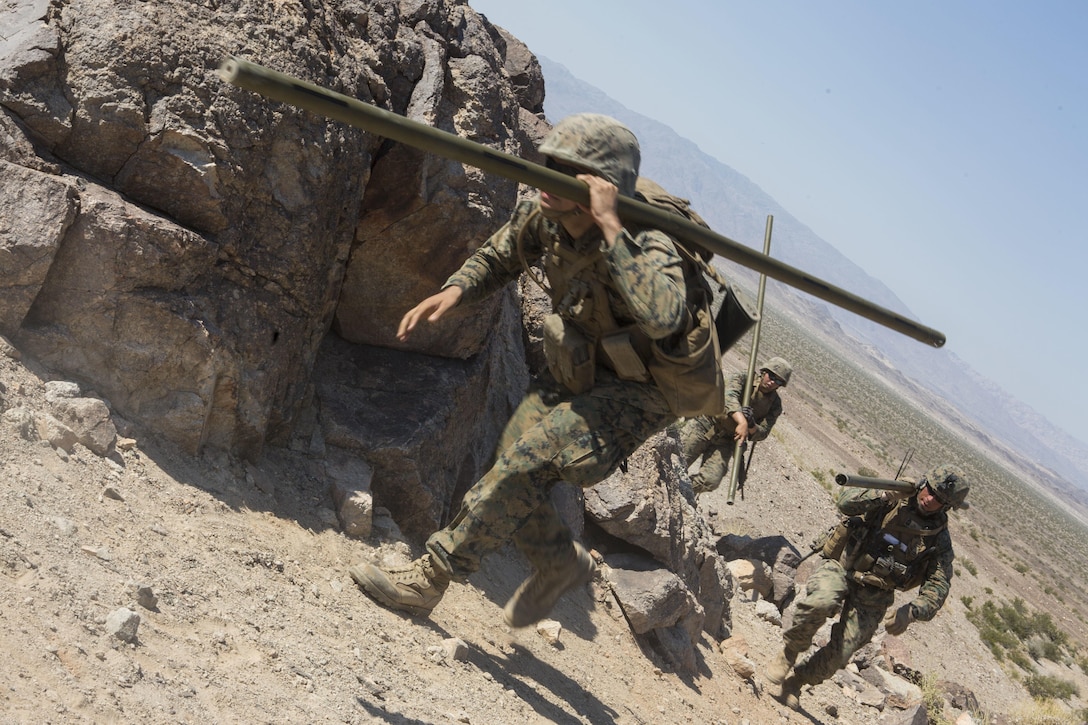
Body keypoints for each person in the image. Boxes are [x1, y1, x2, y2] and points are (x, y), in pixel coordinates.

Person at [350, 113, 715, 627]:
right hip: (582, 362)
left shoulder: (647, 241)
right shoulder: (545, 215)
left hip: (640, 390)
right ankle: (560, 563)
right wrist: (456, 290)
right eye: (551, 162)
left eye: (570, 169)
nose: (550, 175)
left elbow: (662, 317)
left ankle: (430, 578)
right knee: (512, 464)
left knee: (528, 462)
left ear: (602, 186)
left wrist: (611, 225)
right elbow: (501, 256)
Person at [766, 465, 971, 710]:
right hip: (840, 565)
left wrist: (914, 610)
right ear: (924, 482)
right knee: (821, 602)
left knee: (844, 651)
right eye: (930, 491)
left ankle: (797, 682)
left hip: (875, 592)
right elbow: (845, 501)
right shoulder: (895, 495)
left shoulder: (938, 539)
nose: (929, 499)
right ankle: (789, 653)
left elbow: (938, 584)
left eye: (939, 499)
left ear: (947, 506)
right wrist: (883, 496)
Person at [676, 357, 791, 495]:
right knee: (676, 462)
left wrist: (752, 424)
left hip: (726, 441)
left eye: (778, 381)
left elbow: (763, 432)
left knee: (710, 480)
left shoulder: (775, 405)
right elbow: (728, 397)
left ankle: (680, 491)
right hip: (706, 424)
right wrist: (742, 420)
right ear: (764, 372)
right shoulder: (743, 377)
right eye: (771, 376)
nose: (772, 382)